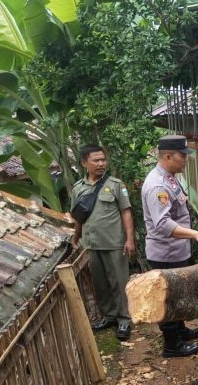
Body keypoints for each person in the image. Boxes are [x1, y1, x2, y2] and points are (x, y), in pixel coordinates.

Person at [141, 135, 198, 357]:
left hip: (177, 250)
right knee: (169, 298)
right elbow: (163, 224)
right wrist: (195, 234)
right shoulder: (157, 185)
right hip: (165, 253)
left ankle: (181, 332)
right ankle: (171, 346)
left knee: (178, 295)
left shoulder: (170, 178)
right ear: (168, 156)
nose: (186, 160)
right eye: (182, 156)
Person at [70, 145, 135, 341]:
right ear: (84, 163)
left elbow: (126, 212)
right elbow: (77, 217)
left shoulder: (115, 184)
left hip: (114, 242)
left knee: (119, 282)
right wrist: (75, 239)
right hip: (90, 244)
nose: (101, 164)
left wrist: (130, 239)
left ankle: (124, 319)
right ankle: (109, 316)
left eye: (103, 160)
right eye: (96, 160)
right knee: (100, 284)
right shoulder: (78, 188)